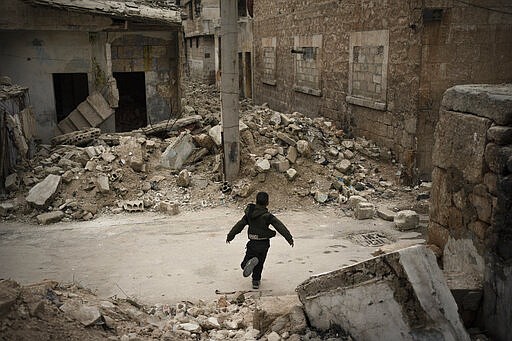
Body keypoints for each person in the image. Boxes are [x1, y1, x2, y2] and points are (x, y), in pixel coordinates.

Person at [226, 192, 294, 289]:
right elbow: (279, 226)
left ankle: (246, 263)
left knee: (247, 260)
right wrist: (289, 238)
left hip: (252, 242)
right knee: (260, 263)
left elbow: (239, 225)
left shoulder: (249, 214)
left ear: (256, 201)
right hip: (264, 244)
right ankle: (256, 282)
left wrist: (230, 236)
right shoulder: (267, 216)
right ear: (267, 203)